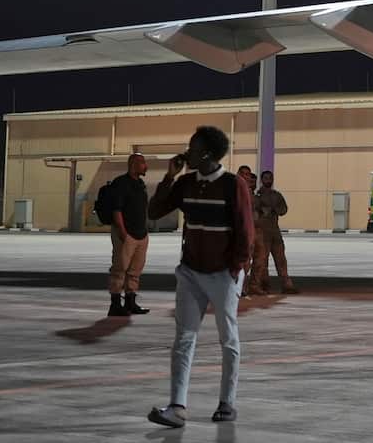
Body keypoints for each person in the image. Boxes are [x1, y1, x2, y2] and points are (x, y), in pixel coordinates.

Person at [145, 127, 253, 428]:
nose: (186, 152)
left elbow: (246, 231)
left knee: (228, 338)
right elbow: (154, 210)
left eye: (192, 147)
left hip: (223, 275)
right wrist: (169, 177)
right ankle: (177, 407)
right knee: (184, 338)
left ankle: (226, 403)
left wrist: (235, 269)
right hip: (191, 273)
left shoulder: (234, 185)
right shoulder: (186, 183)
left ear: (206, 153)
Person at [106, 152, 151, 317]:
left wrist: (144, 234)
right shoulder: (121, 183)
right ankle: (115, 304)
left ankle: (130, 302)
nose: (146, 166)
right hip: (126, 234)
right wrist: (123, 233)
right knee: (119, 269)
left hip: (141, 234)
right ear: (133, 164)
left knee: (135, 271)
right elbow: (117, 210)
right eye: (143, 163)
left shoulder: (140, 184)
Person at [248, 170, 296, 295]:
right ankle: (263, 284)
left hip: (275, 231)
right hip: (262, 232)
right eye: (265, 178)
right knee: (262, 260)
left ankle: (287, 284)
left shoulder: (277, 195)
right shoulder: (257, 196)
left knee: (281, 259)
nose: (268, 180)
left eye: (270, 177)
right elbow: (254, 211)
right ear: (262, 180)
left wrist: (275, 209)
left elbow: (283, 209)